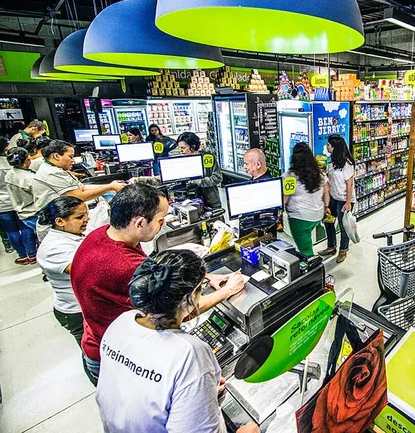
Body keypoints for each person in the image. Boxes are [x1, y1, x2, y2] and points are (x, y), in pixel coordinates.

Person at [71, 184, 244, 385]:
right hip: (118, 359)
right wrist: (228, 290)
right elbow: (179, 311)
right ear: (140, 222)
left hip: (99, 338)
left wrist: (205, 276)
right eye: (160, 220)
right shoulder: (125, 266)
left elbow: (150, 266)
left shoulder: (103, 234)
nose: (163, 224)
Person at [96, 250, 259, 433]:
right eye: (201, 288)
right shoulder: (189, 352)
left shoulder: (122, 321)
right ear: (190, 298)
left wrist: (197, 395)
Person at [32, 141, 125, 239]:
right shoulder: (51, 173)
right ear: (56, 156)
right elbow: (77, 196)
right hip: (58, 226)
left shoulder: (57, 169)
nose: (73, 161)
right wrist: (109, 187)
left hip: (65, 223)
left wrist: (112, 187)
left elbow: (82, 187)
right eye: (70, 156)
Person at [36, 196, 89, 347]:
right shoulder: (53, 248)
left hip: (86, 305)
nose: (87, 219)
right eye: (80, 216)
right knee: (93, 354)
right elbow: (88, 272)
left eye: (86, 213)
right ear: (60, 222)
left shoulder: (74, 233)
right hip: (76, 312)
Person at [283, 143, 329, 256]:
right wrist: (326, 207)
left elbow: (284, 199)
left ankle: (314, 269)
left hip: (299, 218)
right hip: (318, 214)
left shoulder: (289, 176)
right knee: (307, 240)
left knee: (305, 250)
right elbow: (326, 191)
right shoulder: (319, 173)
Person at [318, 135, 355, 264]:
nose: (326, 146)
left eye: (328, 144)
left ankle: (343, 250)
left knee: (343, 226)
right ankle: (331, 247)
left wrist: (348, 202)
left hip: (344, 199)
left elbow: (350, 184)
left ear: (335, 148)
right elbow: (330, 178)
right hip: (333, 197)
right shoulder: (331, 161)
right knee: (328, 221)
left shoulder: (347, 164)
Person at [177, 132, 223, 209]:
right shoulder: (182, 160)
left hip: (211, 200)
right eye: (179, 148)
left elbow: (217, 178)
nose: (181, 151)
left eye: (183, 148)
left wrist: (199, 181)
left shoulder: (207, 158)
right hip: (190, 200)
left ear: (193, 146)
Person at [5, 147, 40, 232]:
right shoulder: (30, 179)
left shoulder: (9, 174)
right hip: (35, 214)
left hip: (23, 214)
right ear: (28, 159)